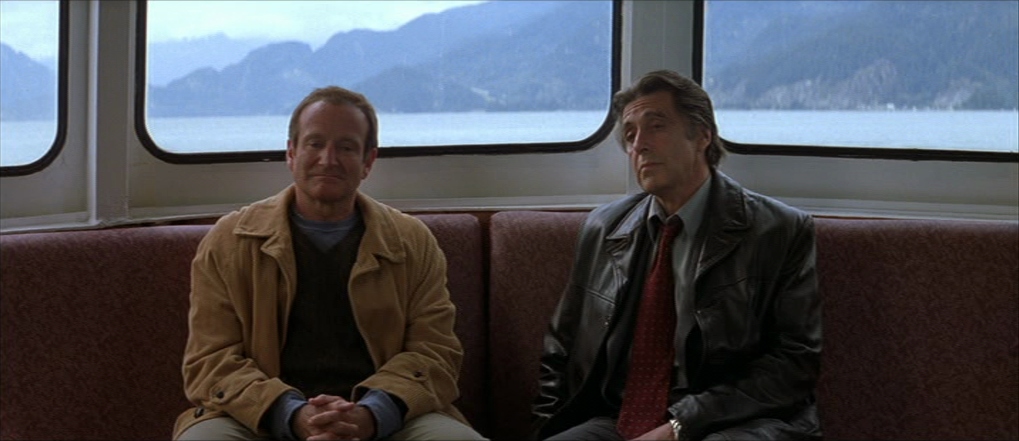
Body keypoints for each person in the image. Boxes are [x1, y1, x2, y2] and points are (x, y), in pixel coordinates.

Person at [173, 86, 485, 441]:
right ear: (291, 153)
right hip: (257, 417)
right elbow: (210, 361)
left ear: (368, 161)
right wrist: (292, 414)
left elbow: (436, 354)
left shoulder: (412, 243)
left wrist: (370, 414)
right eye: (315, 143)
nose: (328, 159)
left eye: (347, 147)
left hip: (390, 415)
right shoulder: (230, 241)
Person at [532, 70, 822, 441]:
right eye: (630, 135)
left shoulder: (778, 230)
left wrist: (679, 426)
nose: (639, 146)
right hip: (615, 418)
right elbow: (560, 348)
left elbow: (795, 364)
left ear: (703, 135)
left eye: (656, 126)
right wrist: (546, 431)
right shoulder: (603, 227)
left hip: (732, 422)